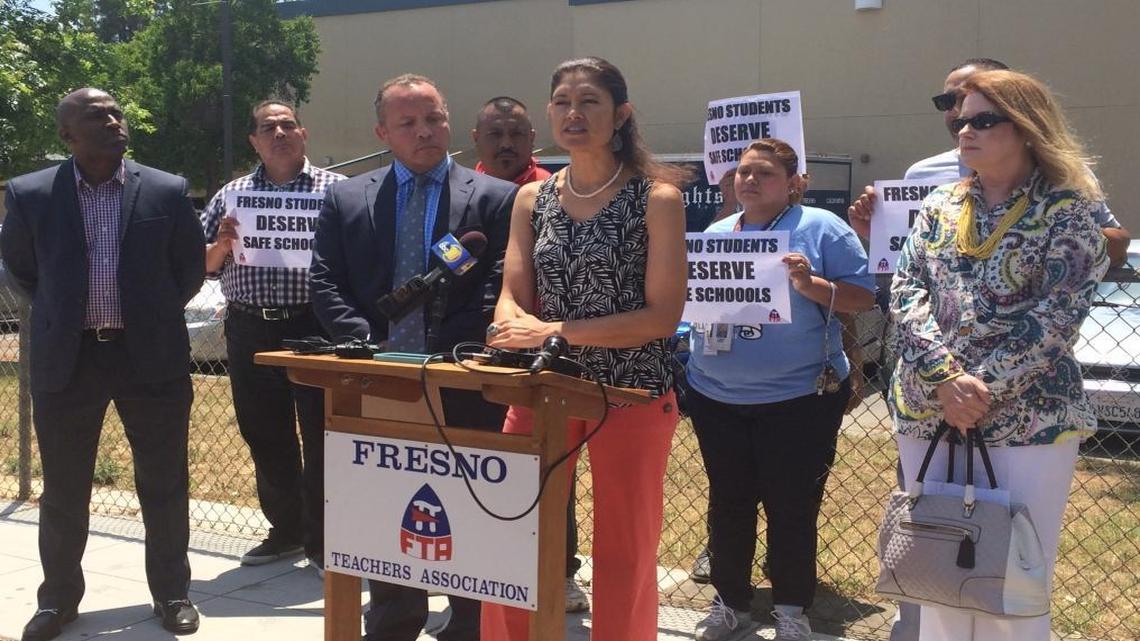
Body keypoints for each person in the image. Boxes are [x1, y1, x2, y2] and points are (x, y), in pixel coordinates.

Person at [890, 69, 1108, 641]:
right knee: (935, 577)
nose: (965, 129)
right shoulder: (939, 202)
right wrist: (944, 379)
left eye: (984, 119)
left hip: (1026, 422)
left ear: (1029, 127)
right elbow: (906, 289)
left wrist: (981, 387)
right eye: (962, 119)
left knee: (1012, 587)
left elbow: (1060, 312)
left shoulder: (1068, 210)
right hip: (929, 413)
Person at [480, 56, 688, 641]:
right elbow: (510, 302)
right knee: (511, 530)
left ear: (620, 114)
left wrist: (554, 331)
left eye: (589, 101)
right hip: (543, 389)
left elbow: (660, 317)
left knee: (624, 548)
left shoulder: (657, 199)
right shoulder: (532, 201)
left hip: (631, 393)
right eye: (563, 102)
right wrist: (519, 327)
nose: (574, 113)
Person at [309, 73, 516, 641]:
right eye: (409, 123)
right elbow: (325, 281)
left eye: (435, 119)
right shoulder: (346, 196)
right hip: (376, 382)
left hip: (461, 384)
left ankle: (471, 624)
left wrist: (449, 352)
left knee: (467, 513)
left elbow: (500, 283)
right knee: (387, 507)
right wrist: (367, 348)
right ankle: (395, 620)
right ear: (383, 131)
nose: (425, 131)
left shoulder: (495, 197)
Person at [0, 88, 205, 640]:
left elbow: (187, 271)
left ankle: (172, 593)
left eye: (116, 113)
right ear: (68, 134)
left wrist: (149, 315)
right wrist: (68, 315)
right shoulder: (31, 193)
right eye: (97, 116)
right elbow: (22, 271)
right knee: (65, 488)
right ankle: (58, 601)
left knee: (164, 482)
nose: (114, 121)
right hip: (68, 360)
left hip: (150, 358)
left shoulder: (166, 190)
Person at [684, 139, 875, 641]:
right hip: (717, 395)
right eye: (743, 172)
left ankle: (791, 609)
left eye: (764, 173)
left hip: (797, 399)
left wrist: (810, 285)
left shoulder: (821, 227)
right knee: (729, 502)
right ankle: (730, 604)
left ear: (792, 181)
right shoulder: (720, 231)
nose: (749, 180)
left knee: (790, 504)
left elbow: (861, 296)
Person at [201, 101, 345, 573]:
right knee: (264, 431)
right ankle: (285, 532)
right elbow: (203, 263)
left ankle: (327, 541)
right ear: (254, 141)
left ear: (302, 133)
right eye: (268, 127)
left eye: (287, 125)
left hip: (315, 327)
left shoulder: (338, 191)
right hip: (250, 327)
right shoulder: (232, 194)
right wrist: (222, 244)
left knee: (325, 433)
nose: (279, 132)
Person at [471, 95, 590, 615]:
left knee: (548, 463)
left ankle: (561, 570)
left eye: (516, 134)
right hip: (470, 348)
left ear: (532, 140)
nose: (505, 144)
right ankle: (482, 564)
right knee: (483, 465)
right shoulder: (460, 191)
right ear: (476, 139)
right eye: (495, 134)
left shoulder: (556, 192)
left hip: (546, 350)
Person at [848, 58, 1131, 268]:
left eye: (982, 115)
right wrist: (879, 232)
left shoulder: (1065, 178)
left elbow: (1116, 247)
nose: (958, 111)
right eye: (947, 101)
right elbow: (915, 262)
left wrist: (1052, 235)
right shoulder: (926, 179)